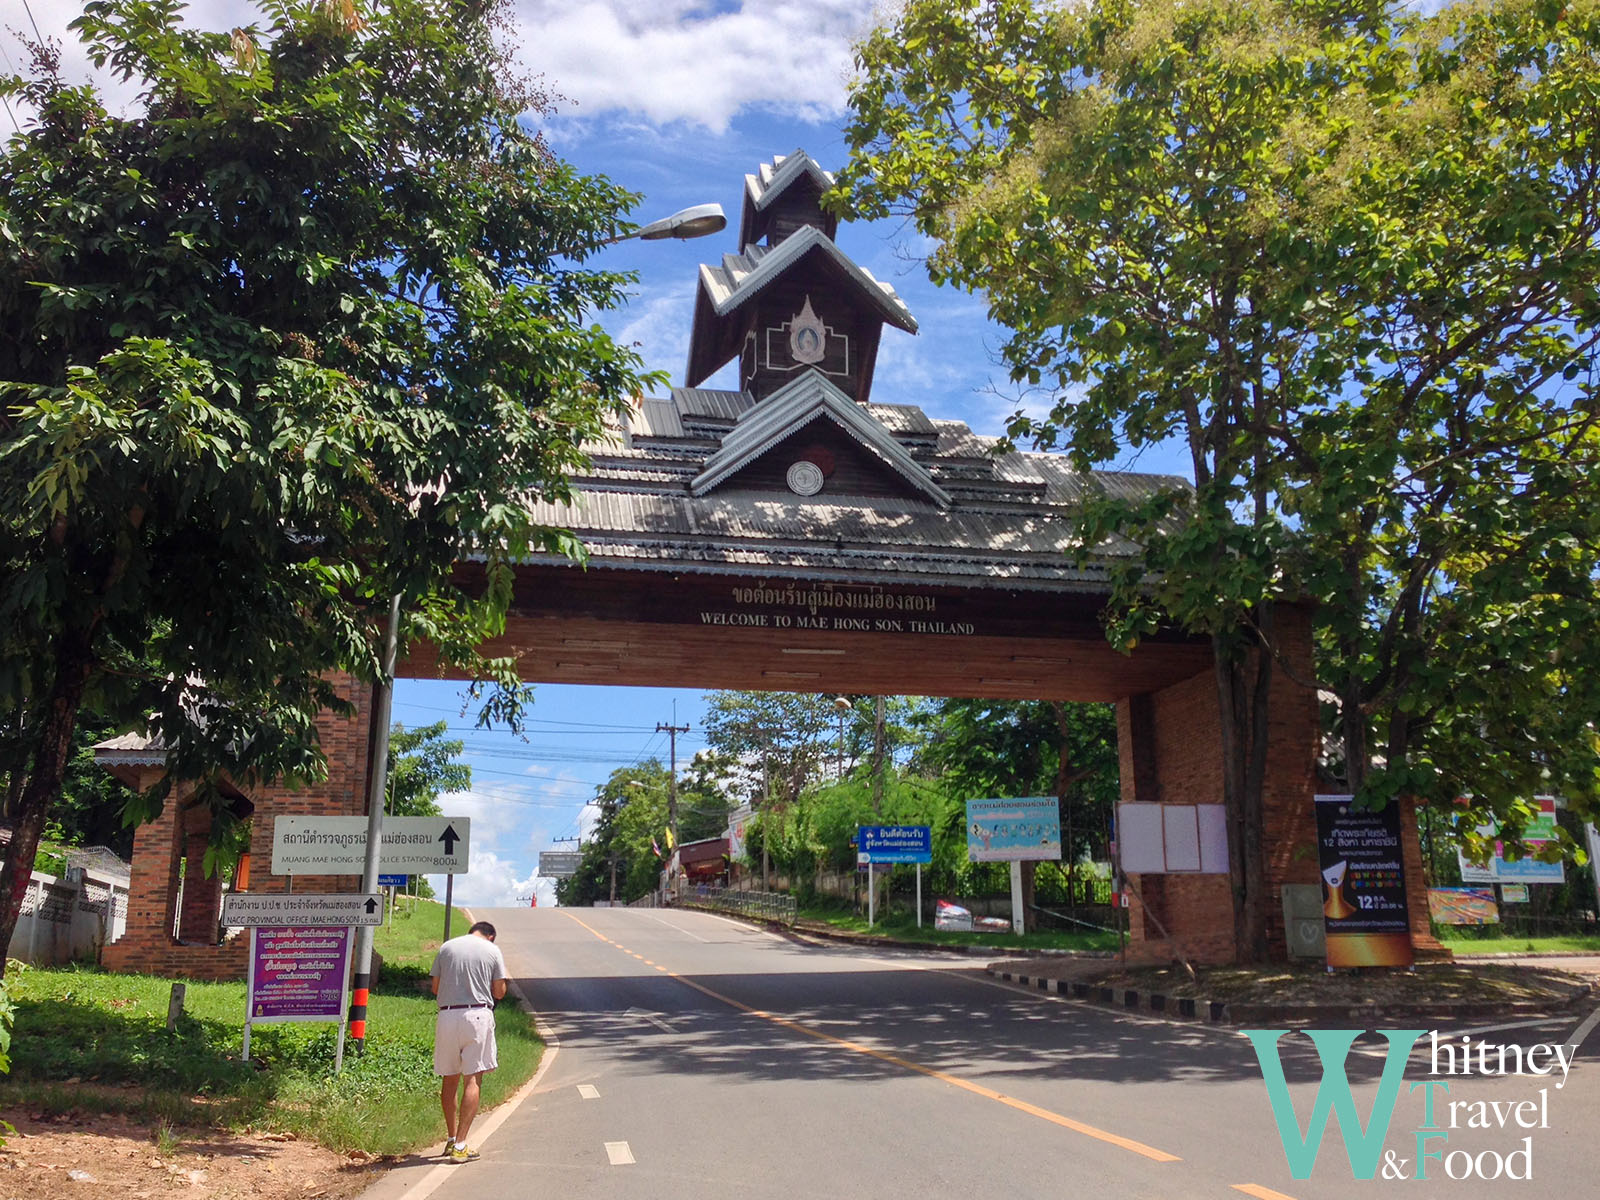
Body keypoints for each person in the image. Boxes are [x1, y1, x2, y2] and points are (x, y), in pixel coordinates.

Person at [430, 920, 509, 1162]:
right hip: (477, 1016)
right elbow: (499, 992)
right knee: (473, 1078)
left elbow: (435, 987)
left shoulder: (447, 948)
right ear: (491, 936)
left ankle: (451, 1138)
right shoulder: (492, 950)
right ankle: (462, 1145)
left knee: (449, 1077)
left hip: (447, 1015)